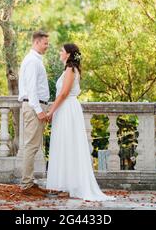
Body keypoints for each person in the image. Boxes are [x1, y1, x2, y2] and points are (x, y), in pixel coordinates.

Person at [46, 43, 116, 202]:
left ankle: (71, 186)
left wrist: (51, 111)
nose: (59, 52)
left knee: (69, 145)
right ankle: (64, 185)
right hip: (64, 109)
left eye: (62, 51)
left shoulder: (71, 70)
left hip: (67, 109)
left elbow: (64, 94)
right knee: (64, 145)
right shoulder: (68, 69)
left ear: (69, 54)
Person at [18, 30, 66, 198]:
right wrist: (39, 111)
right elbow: (31, 89)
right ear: (37, 42)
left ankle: (29, 182)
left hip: (36, 107)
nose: (47, 46)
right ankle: (26, 185)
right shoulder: (32, 61)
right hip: (33, 108)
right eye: (45, 43)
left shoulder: (36, 60)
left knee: (33, 146)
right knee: (31, 146)